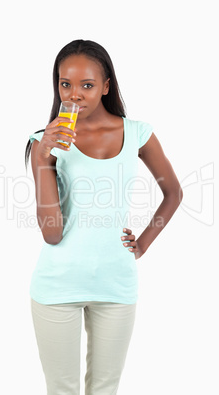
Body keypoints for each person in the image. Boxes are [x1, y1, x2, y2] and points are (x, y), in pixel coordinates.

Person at [24, 39, 183, 395]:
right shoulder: (42, 143)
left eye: (87, 85)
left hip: (116, 286)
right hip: (57, 285)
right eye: (66, 84)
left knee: (105, 389)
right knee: (61, 390)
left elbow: (173, 193)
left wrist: (142, 243)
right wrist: (42, 157)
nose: (75, 94)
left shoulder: (138, 133)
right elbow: (52, 233)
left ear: (106, 86)